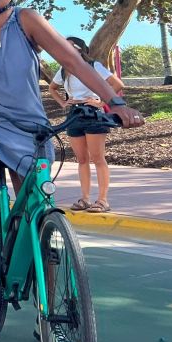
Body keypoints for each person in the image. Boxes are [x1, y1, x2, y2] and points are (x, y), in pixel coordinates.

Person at [0, 0, 145, 342]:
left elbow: (74, 60)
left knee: (41, 220)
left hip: (30, 130)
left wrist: (115, 102)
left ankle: (51, 315)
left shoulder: (27, 20)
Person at [49, 37, 126, 214]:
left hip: (93, 114)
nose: (63, 50)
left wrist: (100, 102)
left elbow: (117, 84)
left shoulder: (93, 66)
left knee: (97, 158)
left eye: (67, 47)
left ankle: (103, 200)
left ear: (78, 49)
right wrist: (63, 102)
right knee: (81, 159)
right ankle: (85, 198)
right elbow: (52, 88)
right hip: (74, 114)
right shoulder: (64, 70)